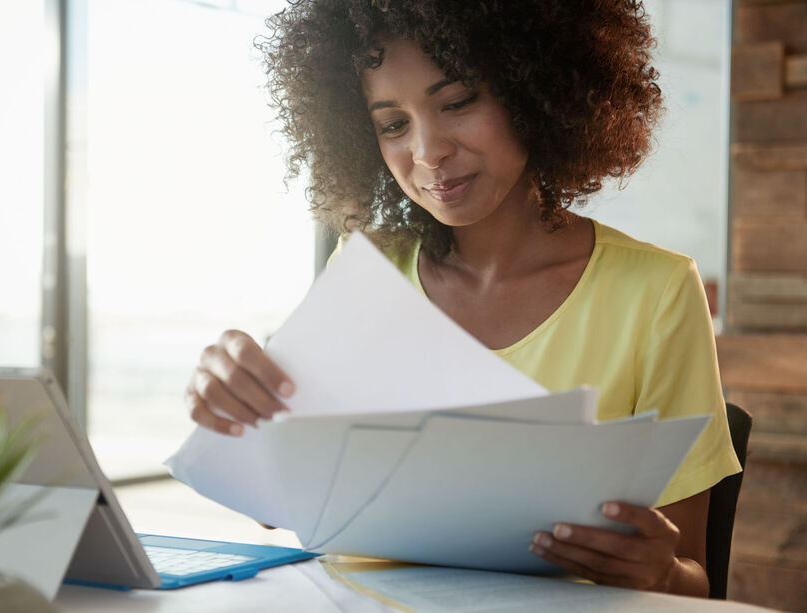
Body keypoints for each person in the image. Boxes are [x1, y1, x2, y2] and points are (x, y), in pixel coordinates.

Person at [186, 0, 741, 597]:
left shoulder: (655, 293)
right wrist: (234, 409)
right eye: (393, 124)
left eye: (457, 103)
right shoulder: (366, 270)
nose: (428, 153)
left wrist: (659, 573)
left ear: (536, 90)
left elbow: (692, 582)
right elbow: (275, 505)